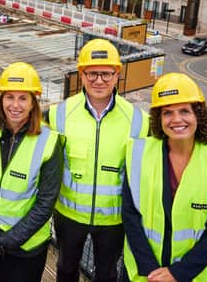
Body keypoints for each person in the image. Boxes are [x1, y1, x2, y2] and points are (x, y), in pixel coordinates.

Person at [48, 39, 149, 282]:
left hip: (113, 221)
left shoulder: (138, 120)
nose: (99, 80)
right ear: (81, 74)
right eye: (92, 73)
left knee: (106, 275)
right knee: (65, 269)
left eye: (106, 73)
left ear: (117, 75)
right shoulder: (59, 114)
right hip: (69, 217)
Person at [122, 73, 207, 282]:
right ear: (159, 118)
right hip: (142, 273)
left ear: (198, 115)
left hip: (188, 275)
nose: (176, 120)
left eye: (184, 111)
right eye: (167, 113)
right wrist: (150, 271)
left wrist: (178, 273)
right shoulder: (138, 153)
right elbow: (130, 216)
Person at [0, 62, 63, 282]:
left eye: (23, 98)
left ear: (34, 103)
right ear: (0, 99)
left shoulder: (49, 142)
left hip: (26, 248)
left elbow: (45, 203)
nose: (15, 105)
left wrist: (8, 241)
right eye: (9, 97)